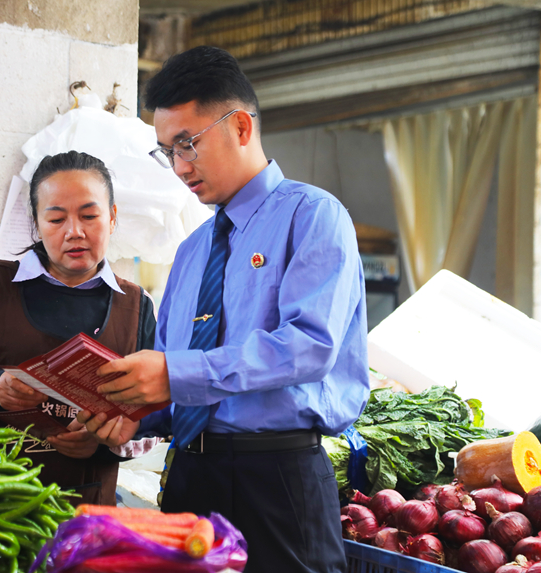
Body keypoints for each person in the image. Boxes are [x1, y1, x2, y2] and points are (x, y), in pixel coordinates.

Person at [78, 46, 369, 573]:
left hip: (276, 478)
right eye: (166, 151)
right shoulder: (190, 252)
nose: (179, 167)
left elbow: (309, 347)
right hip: (189, 477)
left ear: (239, 127)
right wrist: (129, 414)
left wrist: (172, 373)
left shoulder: (314, 217)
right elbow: (176, 380)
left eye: (187, 144)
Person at [0, 150, 160, 506]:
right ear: (35, 223)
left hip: (83, 512)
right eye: (55, 219)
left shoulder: (136, 305)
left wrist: (103, 442)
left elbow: (153, 420)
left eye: (89, 215)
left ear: (112, 218)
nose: (74, 232)